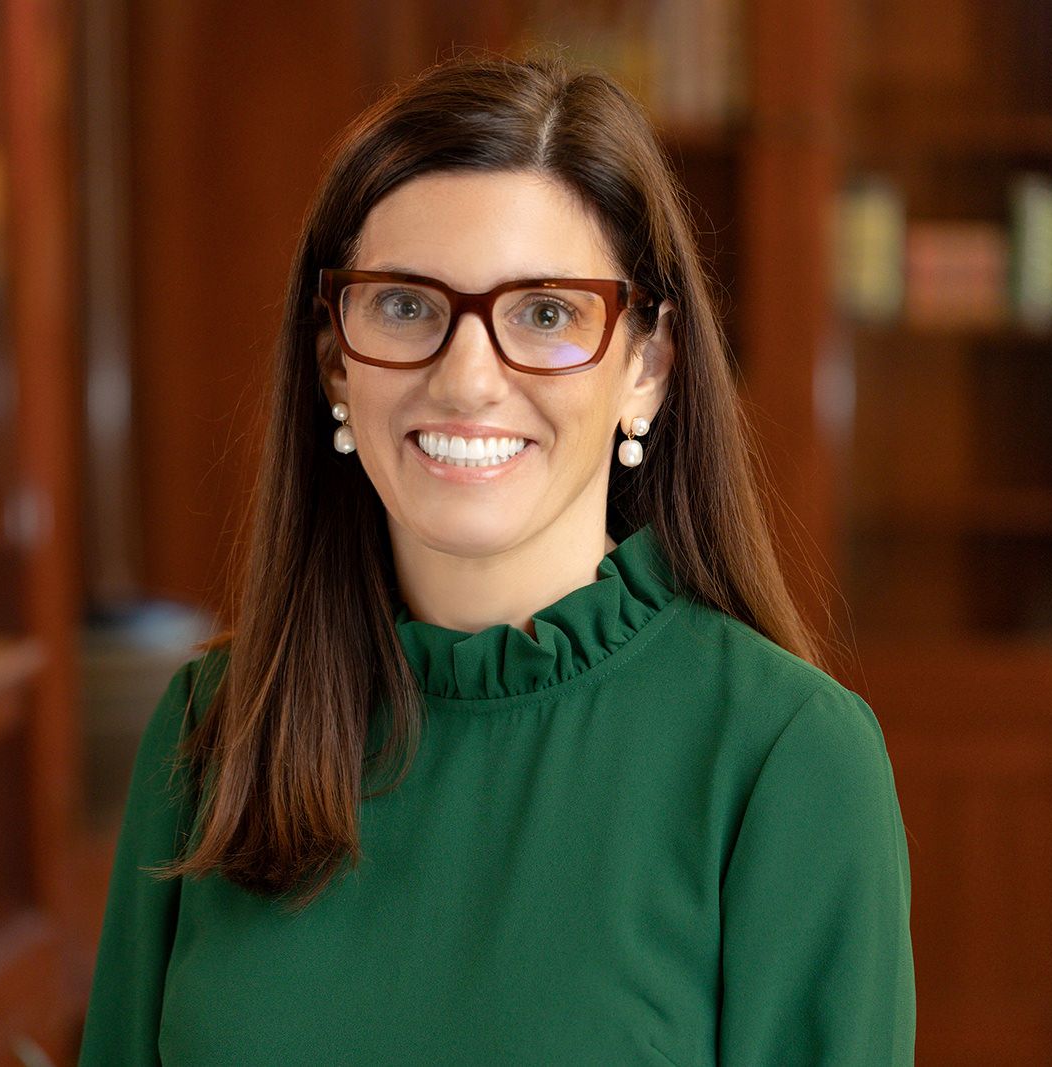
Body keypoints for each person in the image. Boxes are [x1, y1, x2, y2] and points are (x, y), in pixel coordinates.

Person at [80, 55, 914, 1066]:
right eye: (403, 305)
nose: (466, 378)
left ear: (647, 365)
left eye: (545, 313)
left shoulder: (786, 760)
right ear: (333, 359)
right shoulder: (211, 730)